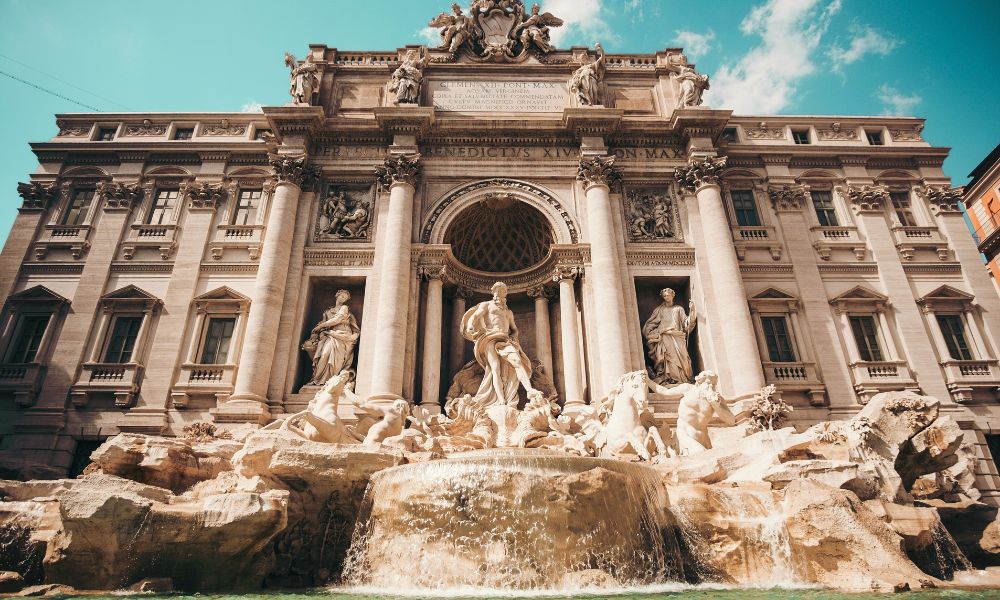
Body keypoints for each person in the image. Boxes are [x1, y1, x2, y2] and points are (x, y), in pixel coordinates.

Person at [461, 282, 540, 407]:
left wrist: (514, 337)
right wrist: (471, 324)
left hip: (505, 339)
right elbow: (476, 315)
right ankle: (501, 399)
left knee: (517, 361)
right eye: (497, 291)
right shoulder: (486, 305)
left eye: (502, 291)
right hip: (489, 338)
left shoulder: (508, 312)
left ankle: (529, 390)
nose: (499, 293)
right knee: (495, 368)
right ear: (493, 292)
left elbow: (514, 329)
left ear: (505, 294)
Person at [642, 288, 696, 385]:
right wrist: (652, 333)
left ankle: (683, 379)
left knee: (683, 359)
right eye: (665, 296)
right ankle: (669, 378)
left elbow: (686, 324)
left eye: (668, 295)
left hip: (677, 336)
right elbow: (650, 324)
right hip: (664, 336)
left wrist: (692, 311)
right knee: (668, 357)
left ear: (672, 295)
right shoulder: (659, 310)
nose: (666, 297)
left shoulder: (679, 309)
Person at [305, 290, 360, 385]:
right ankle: (317, 380)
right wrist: (318, 330)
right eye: (342, 296)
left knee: (336, 359)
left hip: (342, 335)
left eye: (345, 298)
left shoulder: (344, 308)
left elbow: (337, 319)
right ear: (337, 296)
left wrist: (321, 326)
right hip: (330, 334)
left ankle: (332, 382)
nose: (343, 299)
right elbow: (323, 323)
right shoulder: (327, 311)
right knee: (325, 354)